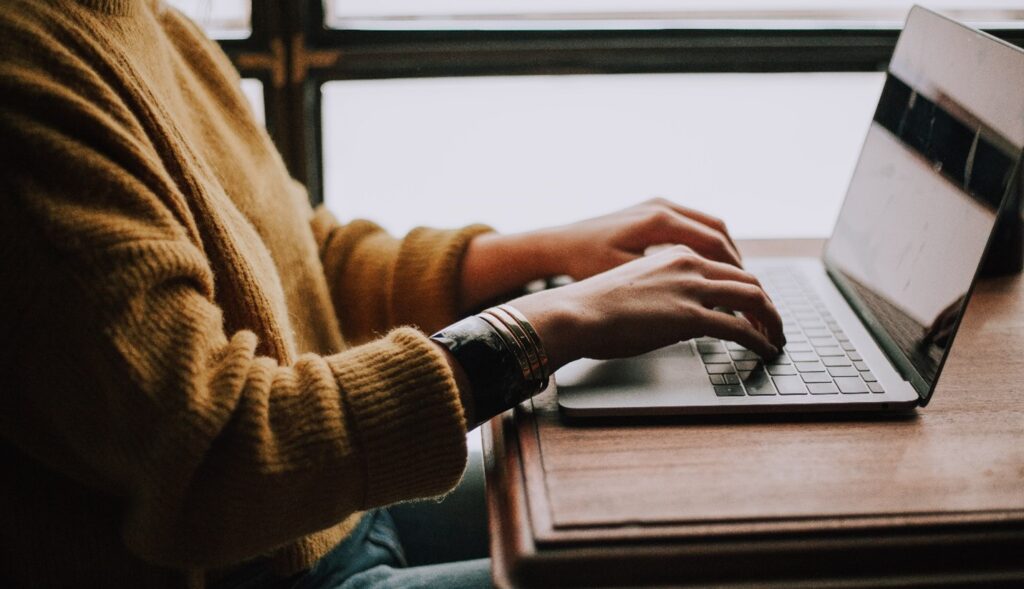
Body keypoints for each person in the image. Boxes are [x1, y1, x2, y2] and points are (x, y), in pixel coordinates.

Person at [0, 1, 784, 587]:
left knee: (702, 511)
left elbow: (304, 261)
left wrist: (546, 253)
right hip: (260, 566)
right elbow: (216, 455)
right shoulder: (26, 75)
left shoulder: (137, 18)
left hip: (325, 514)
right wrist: (542, 327)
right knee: (717, 571)